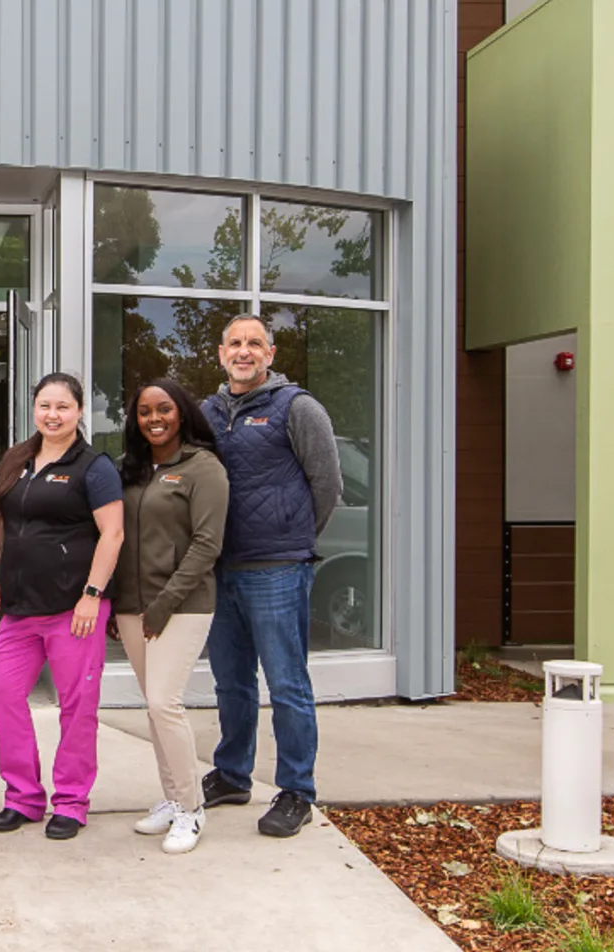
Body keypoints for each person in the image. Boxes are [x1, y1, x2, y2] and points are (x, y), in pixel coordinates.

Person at [199, 313, 342, 838]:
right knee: (230, 682)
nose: (244, 351)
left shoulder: (297, 409)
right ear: (220, 354)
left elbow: (326, 485)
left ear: (271, 354)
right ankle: (233, 774)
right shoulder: (206, 413)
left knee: (286, 683)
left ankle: (296, 790)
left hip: (278, 569)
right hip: (219, 569)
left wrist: (292, 537)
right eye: (235, 343)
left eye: (254, 343)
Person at [0, 373, 124, 841]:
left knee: (76, 707)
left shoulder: (93, 467)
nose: (53, 415)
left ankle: (71, 801)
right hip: (20, 611)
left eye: (63, 406)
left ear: (79, 412)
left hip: (73, 610)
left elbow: (113, 533)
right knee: (3, 697)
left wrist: (92, 594)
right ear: (34, 409)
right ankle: (21, 796)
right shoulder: (17, 459)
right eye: (45, 405)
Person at [109, 377, 229, 855]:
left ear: (182, 412)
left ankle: (191, 808)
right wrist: (121, 602)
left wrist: (161, 605)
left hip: (183, 605)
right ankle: (171, 795)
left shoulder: (204, 469)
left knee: (164, 703)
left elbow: (207, 545)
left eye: (163, 409)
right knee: (153, 709)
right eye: (144, 412)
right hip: (134, 607)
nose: (154, 419)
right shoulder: (132, 470)